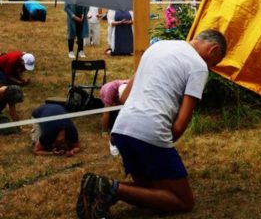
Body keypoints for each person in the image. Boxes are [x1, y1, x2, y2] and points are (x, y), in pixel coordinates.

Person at [76, 30, 227, 218]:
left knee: (151, 192)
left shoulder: (157, 47)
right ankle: (112, 189)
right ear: (213, 49)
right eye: (214, 63)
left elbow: (124, 97)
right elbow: (180, 125)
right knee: (183, 201)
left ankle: (98, 187)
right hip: (150, 131)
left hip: (122, 129)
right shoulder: (198, 66)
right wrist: (162, 145)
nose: (210, 67)